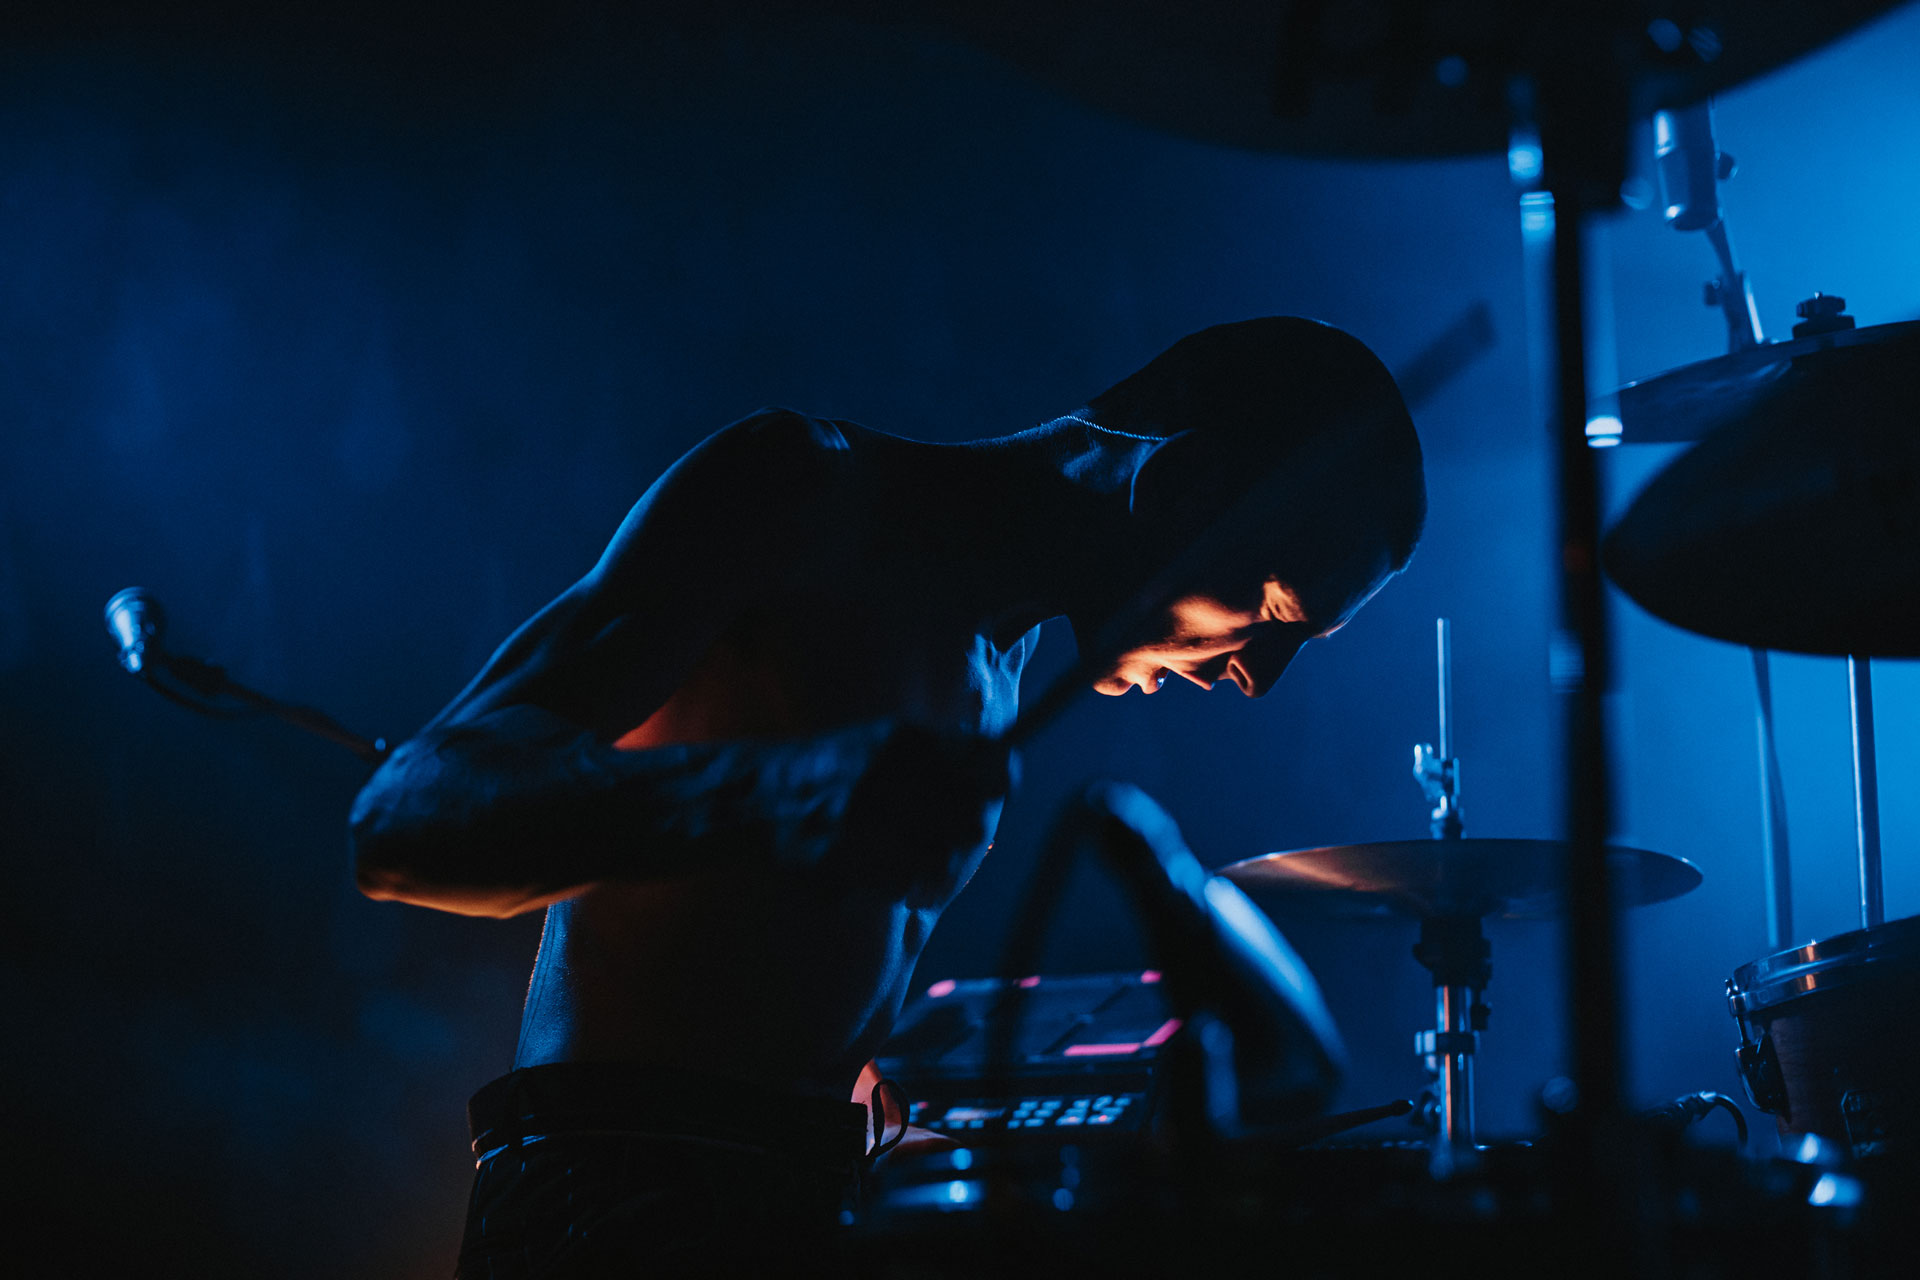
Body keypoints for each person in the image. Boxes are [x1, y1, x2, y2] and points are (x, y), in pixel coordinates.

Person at [348, 315, 1426, 1275]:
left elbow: (749, 999)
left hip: (794, 1207)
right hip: (606, 1203)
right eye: (1275, 611)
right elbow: (403, 818)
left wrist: (897, 1130)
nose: (1258, 675)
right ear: (1179, 487)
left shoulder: (1000, 670)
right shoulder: (801, 490)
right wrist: (776, 792)